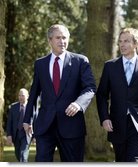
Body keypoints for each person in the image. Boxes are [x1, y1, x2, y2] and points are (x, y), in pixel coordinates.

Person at [23, 24, 96, 162]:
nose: (62, 41)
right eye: (58, 38)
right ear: (49, 40)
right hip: (45, 126)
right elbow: (34, 93)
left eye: (64, 37)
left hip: (71, 126)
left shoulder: (80, 61)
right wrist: (27, 119)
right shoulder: (40, 64)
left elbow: (90, 88)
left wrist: (79, 104)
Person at [96, 27, 138, 162]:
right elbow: (102, 95)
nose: (122, 44)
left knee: (134, 160)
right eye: (120, 41)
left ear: (136, 44)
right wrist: (104, 118)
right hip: (116, 125)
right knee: (121, 160)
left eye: (126, 41)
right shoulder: (110, 66)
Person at [6, 88, 34, 162]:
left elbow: (36, 120)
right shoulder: (13, 107)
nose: (20, 97)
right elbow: (9, 122)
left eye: (23, 95)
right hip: (16, 135)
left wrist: (32, 127)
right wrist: (9, 135)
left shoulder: (32, 107)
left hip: (26, 134)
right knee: (18, 155)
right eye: (19, 95)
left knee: (23, 155)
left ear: (27, 96)